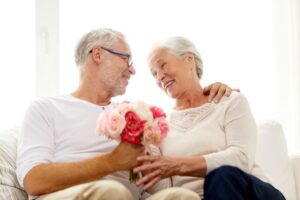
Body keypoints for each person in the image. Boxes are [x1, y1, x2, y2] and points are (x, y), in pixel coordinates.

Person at [16, 28, 234, 200]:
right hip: (73, 195)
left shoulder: (135, 113)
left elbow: (162, 176)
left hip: (130, 196)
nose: (133, 70)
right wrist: (113, 161)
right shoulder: (47, 108)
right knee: (112, 193)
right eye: (126, 59)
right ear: (98, 54)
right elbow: (33, 180)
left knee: (181, 197)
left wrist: (211, 94)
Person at [133, 36, 286, 200]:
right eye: (154, 74)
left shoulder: (229, 101)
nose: (159, 77)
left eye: (163, 65)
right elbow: (164, 191)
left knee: (221, 176)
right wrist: (144, 146)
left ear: (189, 60)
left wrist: (177, 165)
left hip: (248, 192)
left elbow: (241, 159)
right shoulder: (160, 127)